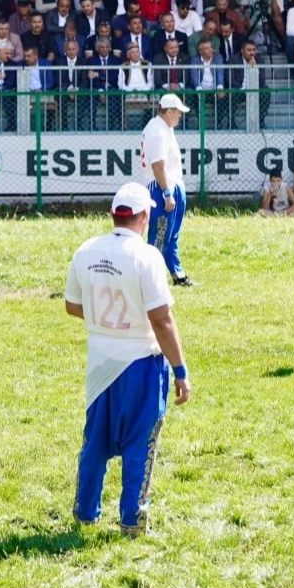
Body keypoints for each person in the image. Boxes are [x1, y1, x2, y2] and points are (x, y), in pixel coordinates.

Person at [62, 183, 191, 536]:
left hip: (100, 360)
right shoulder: (147, 257)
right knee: (140, 442)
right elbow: (162, 319)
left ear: (113, 215)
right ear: (146, 216)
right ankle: (133, 519)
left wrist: (103, 320)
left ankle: (85, 512)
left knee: (95, 442)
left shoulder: (86, 250)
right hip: (142, 362)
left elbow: (72, 305)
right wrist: (180, 370)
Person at [140, 92, 193, 286]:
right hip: (162, 187)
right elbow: (158, 166)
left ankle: (178, 275)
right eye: (178, 112)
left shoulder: (164, 128)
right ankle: (147, 279)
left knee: (172, 234)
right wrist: (167, 193)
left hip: (171, 184)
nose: (180, 116)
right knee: (160, 235)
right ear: (169, 111)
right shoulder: (157, 130)